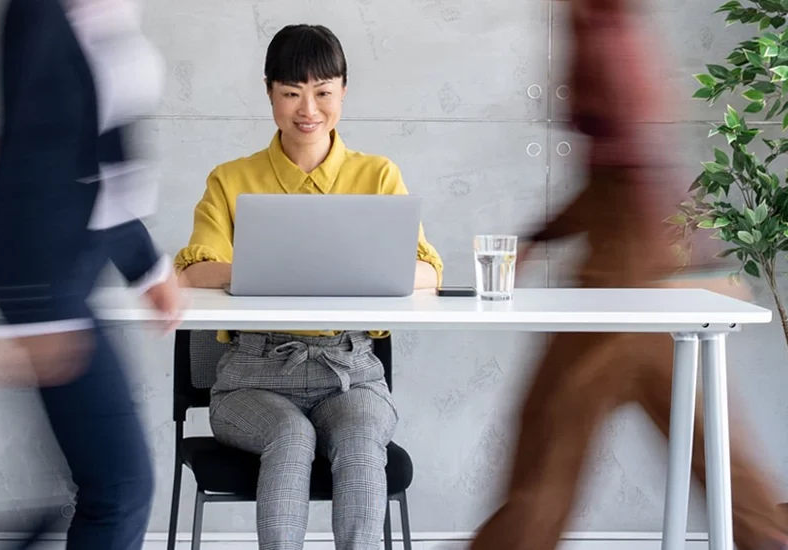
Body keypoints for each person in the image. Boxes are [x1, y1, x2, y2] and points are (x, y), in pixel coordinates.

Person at [470, 1, 788, 549]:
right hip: (643, 263)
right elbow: (621, 166)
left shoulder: (604, 26)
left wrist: (674, 260)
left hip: (624, 271)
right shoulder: (607, 21)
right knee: (711, 455)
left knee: (547, 447)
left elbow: (629, 162)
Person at [174, 24, 444, 550]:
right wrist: (268, 268)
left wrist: (355, 268)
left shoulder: (378, 174)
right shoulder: (231, 179)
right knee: (291, 438)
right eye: (291, 92)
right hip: (251, 377)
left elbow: (429, 274)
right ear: (269, 91)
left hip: (349, 371)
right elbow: (192, 273)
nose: (308, 108)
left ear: (343, 90)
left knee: (364, 441)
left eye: (323, 92)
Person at [0, 0, 181, 547]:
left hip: (68, 275)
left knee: (110, 486)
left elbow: (104, 150)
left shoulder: (104, 11)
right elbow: (39, 146)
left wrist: (146, 265)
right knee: (121, 487)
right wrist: (42, 305)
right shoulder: (38, 11)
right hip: (46, 276)